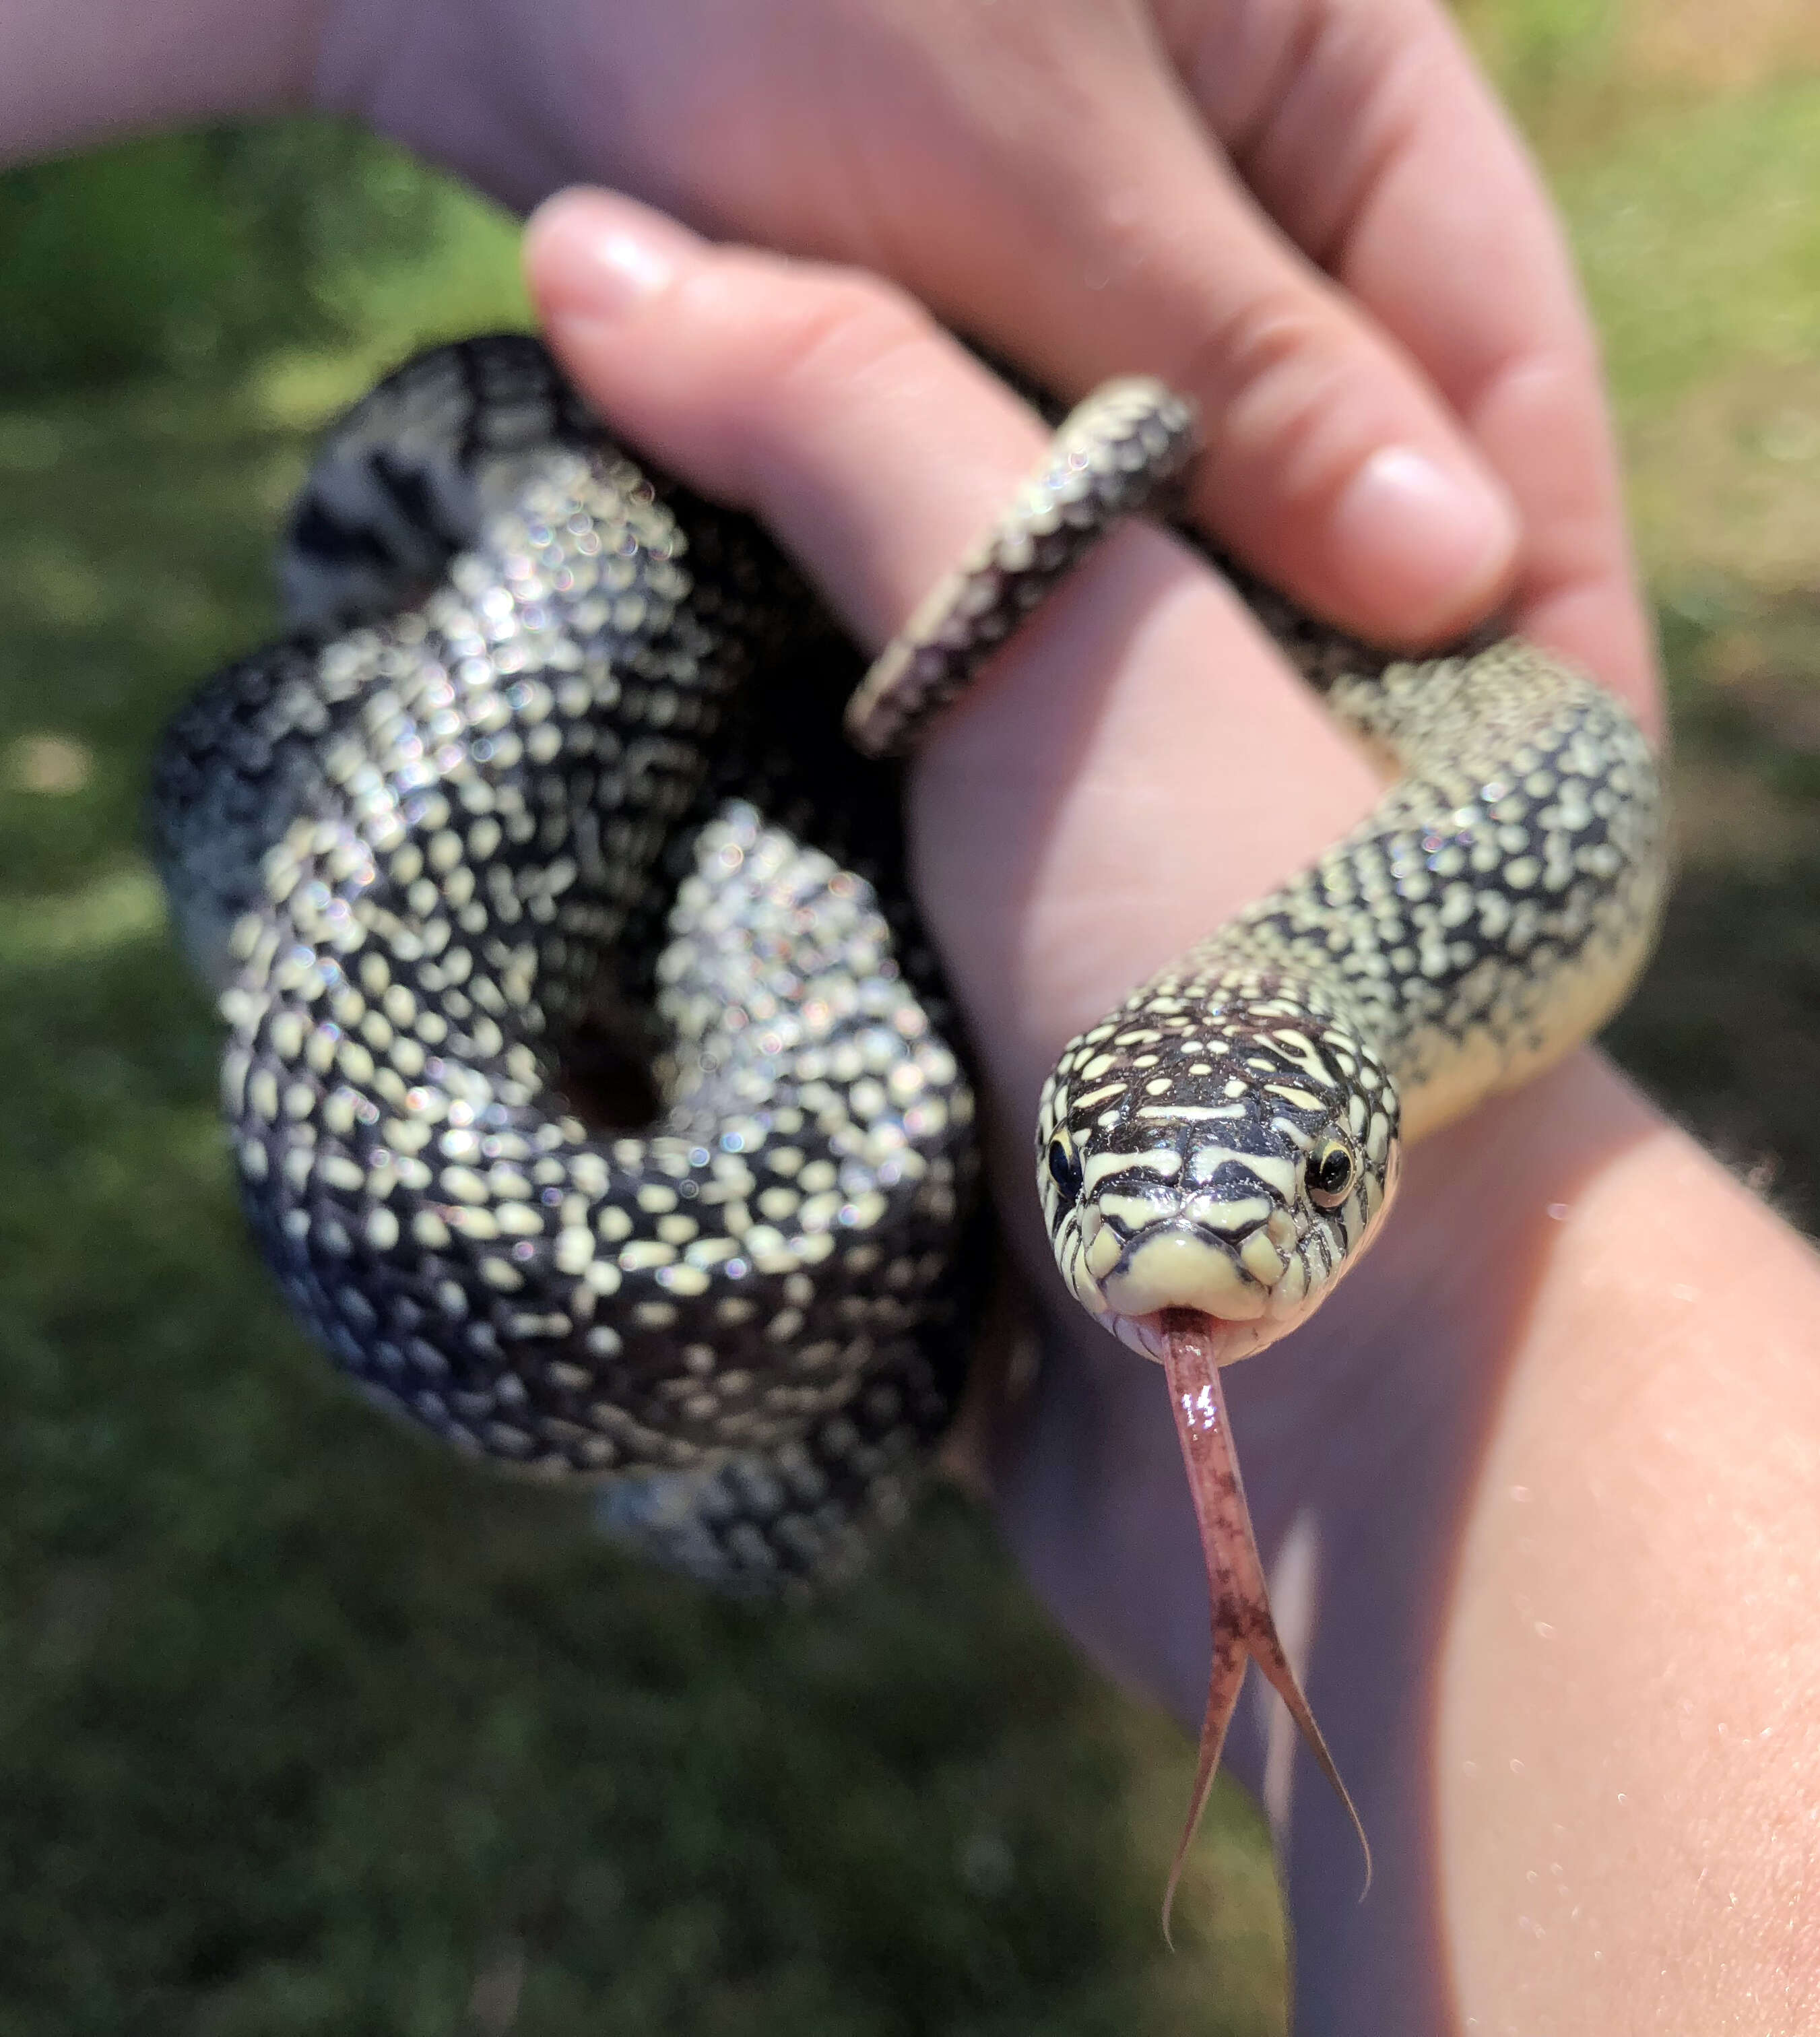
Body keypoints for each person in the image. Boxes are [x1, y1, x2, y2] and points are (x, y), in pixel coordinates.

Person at [8, 4, 1816, 2027]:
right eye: (1084, 1181)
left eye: (1308, 1190)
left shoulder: (1489, 843)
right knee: (359, 711)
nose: (1178, 1271)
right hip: (570, 605)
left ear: (1364, 1122)